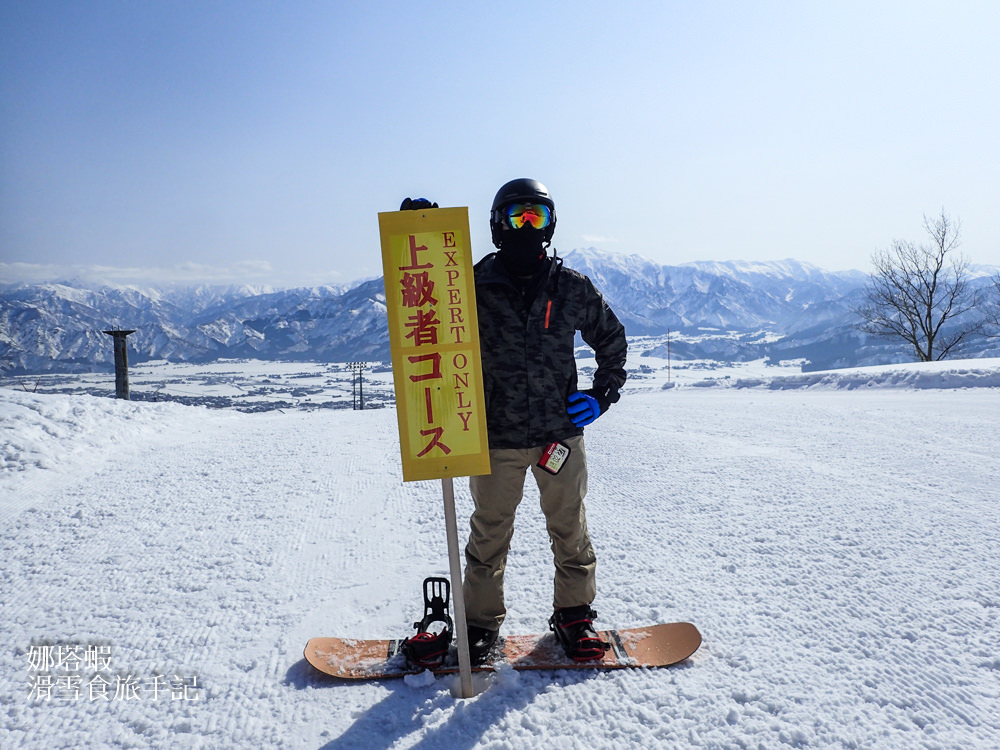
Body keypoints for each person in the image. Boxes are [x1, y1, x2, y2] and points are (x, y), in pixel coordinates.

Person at [401, 179, 627, 662]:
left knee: (570, 527)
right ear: (497, 224)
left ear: (550, 224)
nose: (527, 226)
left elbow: (611, 339)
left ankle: (574, 615)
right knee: (489, 533)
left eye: (537, 217)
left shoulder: (571, 288)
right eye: (518, 216)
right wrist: (421, 233)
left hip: (558, 434)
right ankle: (480, 625)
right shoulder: (470, 286)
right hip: (494, 435)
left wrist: (602, 394)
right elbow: (428, 305)